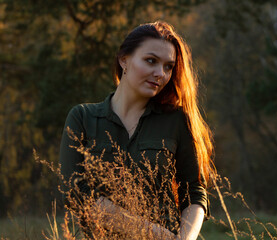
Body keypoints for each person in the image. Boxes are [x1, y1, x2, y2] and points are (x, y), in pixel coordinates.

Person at [59, 21, 215, 239]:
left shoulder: (177, 121)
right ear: (124, 59)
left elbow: (193, 192)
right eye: (150, 61)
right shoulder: (83, 118)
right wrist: (153, 233)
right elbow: (75, 193)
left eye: (168, 66)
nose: (160, 73)